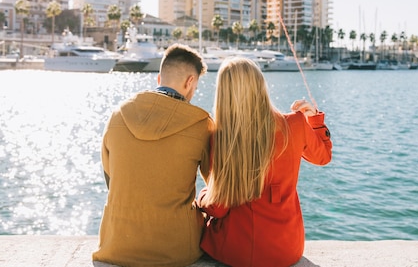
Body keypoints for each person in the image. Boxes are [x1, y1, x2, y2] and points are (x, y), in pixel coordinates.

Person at [197, 56, 333, 267]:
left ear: (224, 94)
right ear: (261, 85)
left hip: (237, 251)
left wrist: (202, 196)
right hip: (287, 249)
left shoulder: (222, 136)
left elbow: (218, 207)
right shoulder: (295, 124)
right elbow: (323, 157)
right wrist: (314, 120)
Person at [93, 43, 213, 267]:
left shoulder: (118, 115)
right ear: (190, 82)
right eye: (195, 87)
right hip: (177, 249)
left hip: (117, 244)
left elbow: (110, 176)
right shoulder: (201, 124)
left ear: (159, 79)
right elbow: (215, 185)